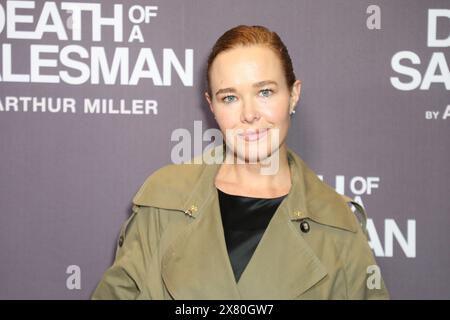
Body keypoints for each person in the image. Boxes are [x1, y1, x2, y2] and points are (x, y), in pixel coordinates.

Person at [92, 25, 389, 300]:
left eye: (265, 92)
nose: (249, 114)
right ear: (212, 106)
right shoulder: (164, 200)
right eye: (230, 97)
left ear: (293, 95)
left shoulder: (338, 223)